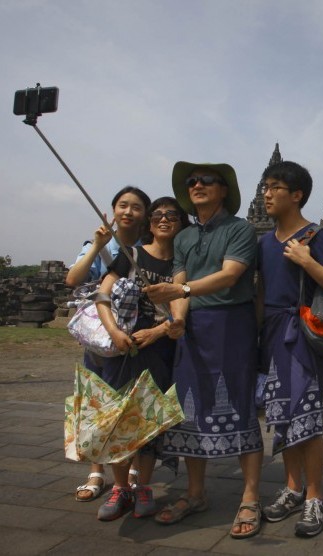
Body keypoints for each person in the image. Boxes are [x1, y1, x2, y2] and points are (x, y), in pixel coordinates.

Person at [144, 162, 263, 539]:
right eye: (191, 181)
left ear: (224, 189)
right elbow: (178, 280)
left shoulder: (241, 229)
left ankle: (250, 496)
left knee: (240, 404)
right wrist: (176, 317)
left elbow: (229, 275)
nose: (197, 185)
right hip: (193, 327)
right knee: (188, 409)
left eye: (207, 180)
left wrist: (181, 294)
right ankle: (195, 493)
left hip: (231, 324)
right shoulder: (183, 237)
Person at [257, 161, 323, 538]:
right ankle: (292, 487)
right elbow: (261, 294)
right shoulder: (263, 242)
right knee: (280, 417)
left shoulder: (317, 237)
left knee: (307, 420)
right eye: (264, 186)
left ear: (296, 195)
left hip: (304, 335)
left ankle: (315, 496)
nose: (266, 193)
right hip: (273, 333)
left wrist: (306, 260)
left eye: (274, 187)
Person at [93, 197, 190, 520]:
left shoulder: (180, 265)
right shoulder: (131, 255)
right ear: (149, 223)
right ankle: (121, 487)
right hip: (124, 348)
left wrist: (161, 331)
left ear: (180, 224)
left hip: (159, 351)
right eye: (158, 215)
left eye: (172, 216)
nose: (164, 220)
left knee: (149, 422)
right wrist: (113, 332)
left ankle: (144, 486)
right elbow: (102, 294)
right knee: (119, 419)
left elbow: (179, 309)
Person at [65, 185, 151, 503]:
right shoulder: (101, 245)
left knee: (131, 406)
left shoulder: (150, 248)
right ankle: (96, 471)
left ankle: (131, 470)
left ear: (145, 215)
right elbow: (73, 280)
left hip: (136, 337)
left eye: (136, 207)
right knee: (95, 405)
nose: (128, 212)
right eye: (122, 206)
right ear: (113, 211)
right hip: (101, 338)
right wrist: (97, 246)